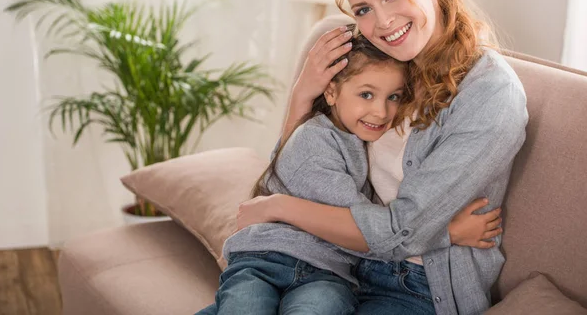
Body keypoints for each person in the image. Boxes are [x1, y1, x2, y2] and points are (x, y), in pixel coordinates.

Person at [235, 0, 528, 315]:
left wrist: (278, 207)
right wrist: (303, 95)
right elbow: (298, 171)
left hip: (417, 287)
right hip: (339, 268)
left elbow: (400, 232)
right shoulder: (379, 60)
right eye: (364, 10)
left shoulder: (490, 94)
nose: (384, 21)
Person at [197, 31, 502, 315]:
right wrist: (447, 233)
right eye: (366, 95)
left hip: (327, 275)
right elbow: (364, 232)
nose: (381, 112)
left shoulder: (358, 141)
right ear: (331, 93)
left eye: (393, 97)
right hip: (265, 260)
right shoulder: (314, 142)